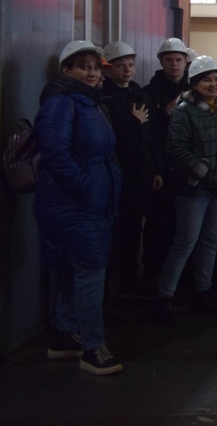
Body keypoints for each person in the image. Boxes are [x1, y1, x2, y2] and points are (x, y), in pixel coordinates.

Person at [35, 40, 124, 375]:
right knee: (91, 272)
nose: (91, 73)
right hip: (74, 204)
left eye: (95, 67)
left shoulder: (88, 103)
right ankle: (92, 347)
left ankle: (64, 336)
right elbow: (55, 154)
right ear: (66, 70)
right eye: (83, 66)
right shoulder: (60, 103)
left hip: (93, 200)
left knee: (75, 270)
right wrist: (85, 188)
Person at [156, 55, 217, 325]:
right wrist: (202, 170)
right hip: (194, 191)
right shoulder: (185, 110)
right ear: (195, 83)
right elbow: (175, 149)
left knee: (210, 242)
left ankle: (202, 293)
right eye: (207, 79)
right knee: (185, 243)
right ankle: (164, 298)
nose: (213, 83)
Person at [101, 40, 158, 296]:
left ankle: (130, 281)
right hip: (116, 174)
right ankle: (114, 285)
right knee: (116, 232)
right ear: (109, 68)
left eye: (130, 65)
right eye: (120, 65)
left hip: (140, 174)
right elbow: (114, 137)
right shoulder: (104, 98)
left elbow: (152, 136)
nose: (126, 69)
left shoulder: (141, 95)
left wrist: (156, 170)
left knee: (135, 229)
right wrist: (133, 123)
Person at [141, 37, 191, 290]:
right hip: (163, 168)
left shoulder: (196, 88)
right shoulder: (150, 92)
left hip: (188, 169)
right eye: (169, 59)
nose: (174, 64)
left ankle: (180, 278)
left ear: (186, 62)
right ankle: (152, 274)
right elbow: (150, 136)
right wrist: (156, 169)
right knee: (158, 225)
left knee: (184, 227)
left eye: (179, 59)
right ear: (161, 62)